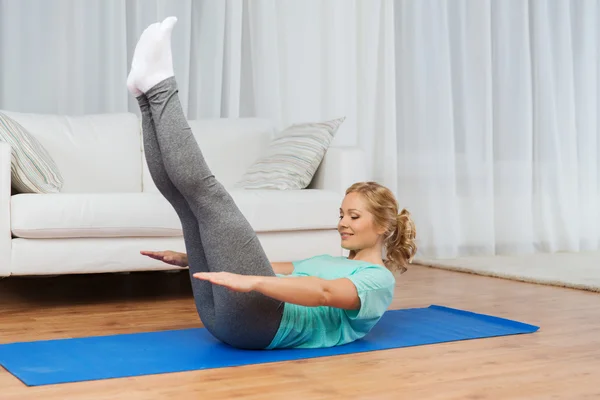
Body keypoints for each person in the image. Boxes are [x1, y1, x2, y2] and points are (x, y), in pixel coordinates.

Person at [128, 17, 417, 350]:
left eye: (354, 216)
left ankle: (161, 85)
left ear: (382, 226)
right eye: (342, 214)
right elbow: (268, 267)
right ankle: (144, 96)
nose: (342, 223)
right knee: (185, 204)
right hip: (223, 318)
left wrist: (253, 282)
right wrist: (192, 258)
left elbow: (322, 293)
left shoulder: (378, 280)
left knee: (209, 196)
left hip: (263, 323)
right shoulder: (329, 261)